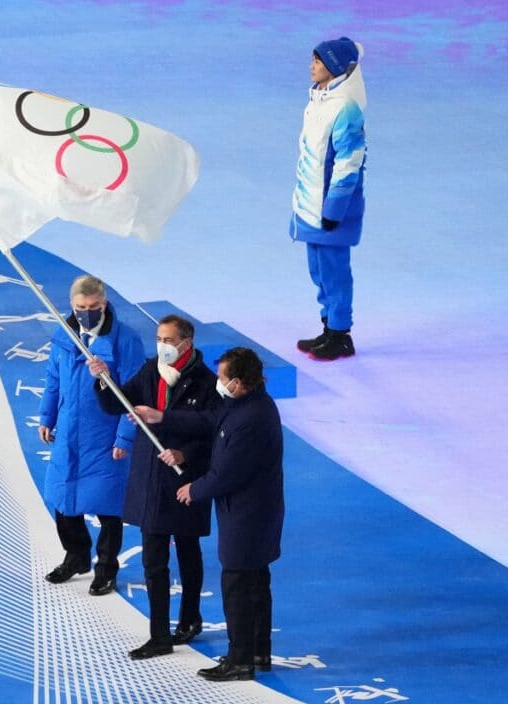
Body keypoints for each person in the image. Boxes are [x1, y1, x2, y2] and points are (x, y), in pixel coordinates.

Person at [133, 347, 284, 682]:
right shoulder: (247, 405)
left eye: (223, 378)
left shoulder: (250, 420)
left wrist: (194, 489)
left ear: (240, 382)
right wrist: (162, 416)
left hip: (247, 517)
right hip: (255, 514)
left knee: (238, 586)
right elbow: (207, 420)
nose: (218, 382)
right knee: (256, 582)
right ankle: (259, 651)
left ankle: (240, 660)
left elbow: (228, 473)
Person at [88, 315, 219, 660]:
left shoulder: (206, 383)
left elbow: (212, 432)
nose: (162, 345)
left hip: (186, 480)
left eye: (168, 339)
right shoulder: (151, 371)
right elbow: (118, 403)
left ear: (186, 342)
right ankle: (159, 634)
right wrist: (103, 380)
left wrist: (183, 454)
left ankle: (190, 619)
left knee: (188, 552)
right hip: (150, 481)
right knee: (154, 559)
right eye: (159, 338)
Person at [39, 275, 145, 596]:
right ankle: (76, 556)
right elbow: (53, 378)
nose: (86, 312)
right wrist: (48, 415)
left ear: (105, 303)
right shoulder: (64, 333)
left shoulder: (125, 342)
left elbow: (135, 394)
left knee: (107, 508)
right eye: (80, 307)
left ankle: (106, 568)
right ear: (72, 305)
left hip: (105, 437)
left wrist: (125, 438)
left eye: (93, 307)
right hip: (69, 435)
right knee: (62, 499)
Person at [291, 37, 367, 361]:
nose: (312, 66)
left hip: (331, 208)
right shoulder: (317, 100)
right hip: (310, 204)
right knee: (318, 269)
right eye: (312, 60)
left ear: (334, 67)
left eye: (318, 62)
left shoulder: (345, 109)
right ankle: (327, 327)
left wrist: (333, 208)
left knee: (335, 271)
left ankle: (340, 334)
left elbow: (349, 162)